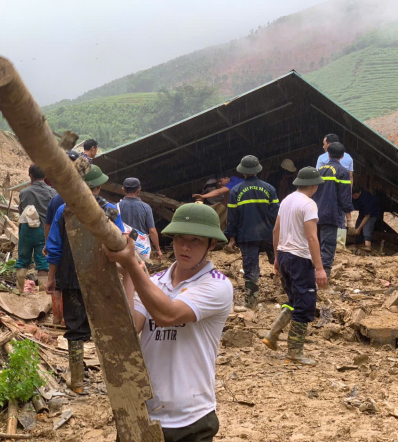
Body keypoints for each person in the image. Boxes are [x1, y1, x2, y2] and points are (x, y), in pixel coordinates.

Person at [103, 203, 232, 442]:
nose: (185, 246)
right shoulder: (155, 281)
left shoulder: (217, 285)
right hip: (143, 412)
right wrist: (130, 275)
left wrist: (132, 264)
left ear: (211, 245)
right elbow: (129, 330)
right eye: (180, 238)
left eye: (195, 240)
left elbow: (167, 315)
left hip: (190, 419)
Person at [46, 165, 124, 393]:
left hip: (72, 279)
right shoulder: (112, 210)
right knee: (106, 326)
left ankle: (78, 381)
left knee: (75, 327)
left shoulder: (63, 210)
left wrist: (51, 277)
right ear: (98, 186)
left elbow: (55, 248)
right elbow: (120, 244)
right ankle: (115, 381)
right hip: (103, 278)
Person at [263, 167, 327, 365]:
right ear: (314, 186)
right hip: (300, 259)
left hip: (284, 255)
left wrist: (276, 257)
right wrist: (319, 268)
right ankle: (294, 352)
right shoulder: (309, 205)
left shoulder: (287, 200)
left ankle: (272, 335)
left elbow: (276, 230)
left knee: (294, 298)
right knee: (305, 305)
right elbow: (311, 237)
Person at [225, 155, 279, 309]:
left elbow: (232, 218)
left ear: (243, 172)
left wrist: (232, 237)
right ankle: (289, 294)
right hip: (269, 234)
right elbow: (277, 215)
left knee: (250, 269)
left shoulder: (235, 191)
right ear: (257, 171)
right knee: (279, 262)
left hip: (247, 235)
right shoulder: (269, 189)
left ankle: (251, 304)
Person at [312, 142, 354, 284]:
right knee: (328, 247)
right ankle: (324, 282)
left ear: (328, 154)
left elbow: (312, 193)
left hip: (315, 215)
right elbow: (345, 197)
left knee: (315, 245)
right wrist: (349, 219)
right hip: (330, 215)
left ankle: (312, 276)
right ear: (342, 156)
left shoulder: (319, 171)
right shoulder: (343, 172)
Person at [15, 164, 57, 293]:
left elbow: (21, 211)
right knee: (43, 260)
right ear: (45, 176)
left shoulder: (24, 193)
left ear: (30, 176)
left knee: (22, 259)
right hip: (43, 230)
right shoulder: (52, 192)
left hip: (26, 230)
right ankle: (44, 294)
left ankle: (19, 291)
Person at [43, 151, 81, 256]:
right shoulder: (88, 199)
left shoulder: (55, 200)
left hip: (62, 250)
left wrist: (48, 244)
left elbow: (48, 226)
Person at [119, 177, 163, 261]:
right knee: (143, 272)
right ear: (139, 191)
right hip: (141, 250)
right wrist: (158, 250)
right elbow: (152, 231)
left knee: (125, 272)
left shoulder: (116, 207)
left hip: (123, 248)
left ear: (123, 190)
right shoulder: (146, 207)